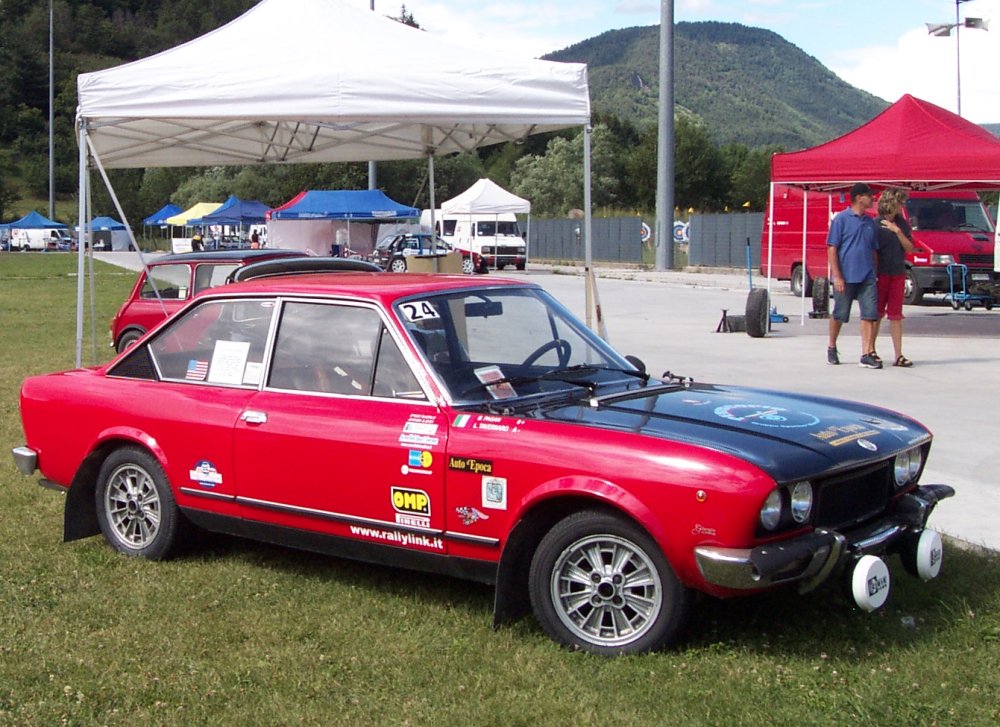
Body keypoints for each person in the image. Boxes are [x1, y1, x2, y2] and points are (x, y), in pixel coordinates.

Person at [826, 182, 880, 368]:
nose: (872, 198)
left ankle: (866, 353)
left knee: (869, 314)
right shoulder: (841, 219)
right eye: (869, 195)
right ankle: (832, 346)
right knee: (840, 314)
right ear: (859, 198)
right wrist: (838, 276)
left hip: (867, 276)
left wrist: (874, 271)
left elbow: (873, 250)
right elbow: (832, 248)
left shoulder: (870, 222)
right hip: (846, 276)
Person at [872, 188, 915, 367]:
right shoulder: (875, 224)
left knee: (896, 315)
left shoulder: (902, 224)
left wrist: (897, 231)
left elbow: (910, 248)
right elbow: (872, 251)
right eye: (899, 204)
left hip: (897, 273)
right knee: (877, 314)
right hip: (880, 274)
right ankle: (870, 350)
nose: (901, 207)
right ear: (892, 204)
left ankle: (898, 354)